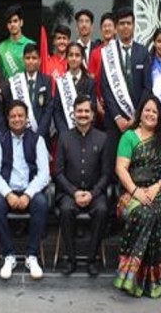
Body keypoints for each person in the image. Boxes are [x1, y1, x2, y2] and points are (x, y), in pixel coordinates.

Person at [113, 96, 161, 298]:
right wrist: (136, 191)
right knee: (145, 214)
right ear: (140, 113)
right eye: (147, 110)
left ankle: (153, 279)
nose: (150, 114)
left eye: (154, 111)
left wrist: (157, 186)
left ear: (159, 116)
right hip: (131, 194)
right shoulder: (129, 137)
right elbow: (121, 169)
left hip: (158, 193)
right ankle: (131, 277)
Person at [0, 101, 50, 280]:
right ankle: (9, 255)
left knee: (41, 203)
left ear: (26, 118)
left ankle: (32, 255)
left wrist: (28, 194)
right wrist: (8, 194)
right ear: (8, 119)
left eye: (20, 115)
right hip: (7, 191)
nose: (17, 119)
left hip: (30, 190)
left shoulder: (38, 140)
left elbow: (44, 174)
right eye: (13, 116)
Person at [54, 96, 109, 276]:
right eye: (79, 111)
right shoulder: (64, 138)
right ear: (74, 114)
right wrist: (74, 192)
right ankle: (70, 260)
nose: (83, 114)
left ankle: (92, 260)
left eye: (86, 111)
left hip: (95, 193)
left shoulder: (102, 138)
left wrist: (93, 194)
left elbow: (106, 173)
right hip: (69, 194)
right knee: (66, 210)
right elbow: (58, 172)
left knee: (102, 210)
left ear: (93, 115)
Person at [100, 7, 152, 194]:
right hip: (115, 123)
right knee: (113, 168)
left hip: (138, 121)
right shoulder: (108, 53)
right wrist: (118, 117)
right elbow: (106, 88)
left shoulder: (143, 52)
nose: (125, 27)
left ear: (134, 26)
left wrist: (135, 116)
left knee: (136, 166)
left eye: (128, 23)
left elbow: (147, 88)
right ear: (116, 27)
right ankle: (114, 208)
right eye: (121, 24)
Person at [54, 43, 97, 134]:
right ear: (66, 58)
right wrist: (65, 133)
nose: (74, 58)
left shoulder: (90, 82)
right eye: (71, 55)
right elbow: (57, 111)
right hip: (65, 133)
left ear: (82, 59)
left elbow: (93, 110)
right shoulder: (61, 82)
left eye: (77, 55)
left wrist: (85, 131)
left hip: (86, 133)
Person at [17, 43, 54, 140]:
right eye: (28, 58)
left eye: (34, 58)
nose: (31, 61)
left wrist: (39, 133)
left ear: (39, 60)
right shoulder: (16, 81)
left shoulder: (46, 80)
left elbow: (48, 109)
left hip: (42, 135)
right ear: (23, 60)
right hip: (21, 135)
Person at [88, 12, 116, 125]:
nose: (107, 29)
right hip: (100, 107)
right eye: (104, 26)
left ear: (115, 29)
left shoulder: (120, 51)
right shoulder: (95, 53)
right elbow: (91, 82)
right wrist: (97, 104)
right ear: (101, 30)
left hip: (119, 105)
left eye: (110, 26)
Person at [0, 4, 34, 78]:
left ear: (21, 22)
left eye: (15, 21)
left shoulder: (31, 45)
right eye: (9, 22)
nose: (12, 24)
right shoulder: (1, 48)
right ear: (7, 25)